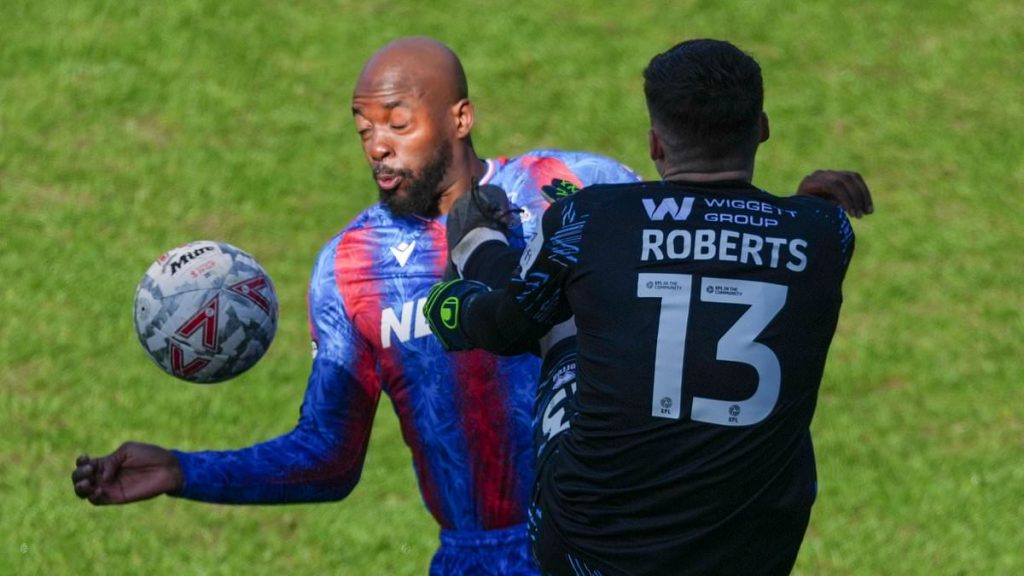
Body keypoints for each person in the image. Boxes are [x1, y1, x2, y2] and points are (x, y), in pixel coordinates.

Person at [72, 37, 643, 576]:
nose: (377, 144)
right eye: (364, 127)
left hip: (625, 538)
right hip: (482, 560)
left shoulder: (574, 185)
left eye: (399, 123)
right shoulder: (349, 268)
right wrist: (181, 470)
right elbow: (329, 455)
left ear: (460, 118)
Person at [425, 39, 863, 575]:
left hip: (590, 553)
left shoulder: (592, 219)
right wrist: (809, 204)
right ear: (763, 128)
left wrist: (456, 299)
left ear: (656, 143)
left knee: (562, 324)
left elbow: (506, 326)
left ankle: (474, 244)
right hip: (753, 554)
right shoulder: (825, 235)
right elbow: (759, 250)